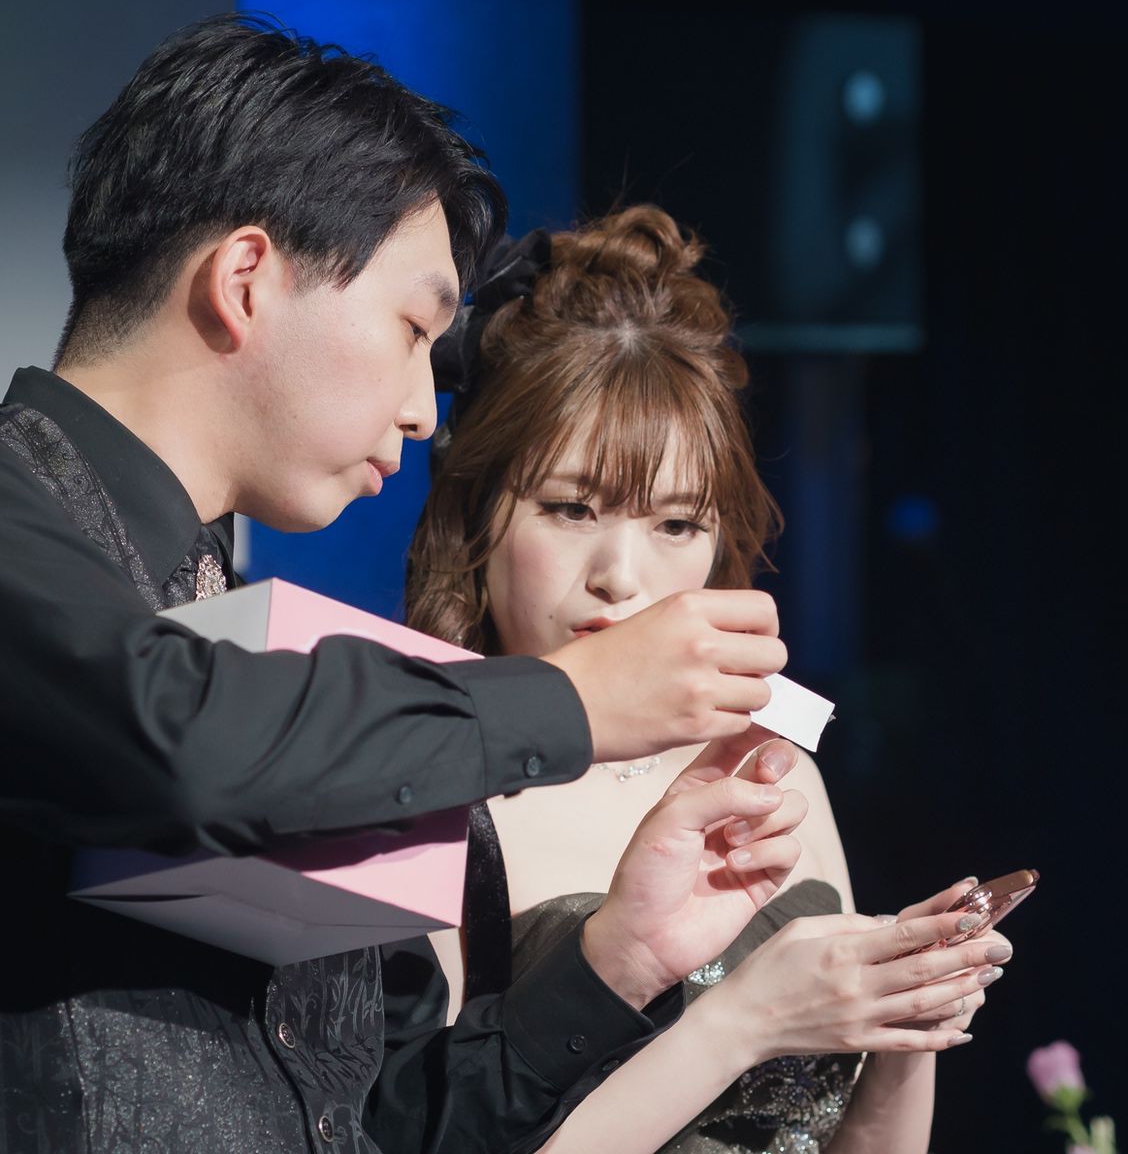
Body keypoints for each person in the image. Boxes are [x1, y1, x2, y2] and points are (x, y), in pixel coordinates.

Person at [0, 16, 820, 1154]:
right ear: (245, 279)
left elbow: (387, 1119)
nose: (423, 411)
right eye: (413, 327)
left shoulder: (254, 635)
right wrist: (574, 701)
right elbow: (175, 733)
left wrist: (622, 956)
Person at [406, 204, 1016, 1153]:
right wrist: (743, 1024)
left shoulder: (773, 758)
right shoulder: (429, 782)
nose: (621, 576)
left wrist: (908, 1016)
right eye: (571, 509)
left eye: (676, 524)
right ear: (477, 510)